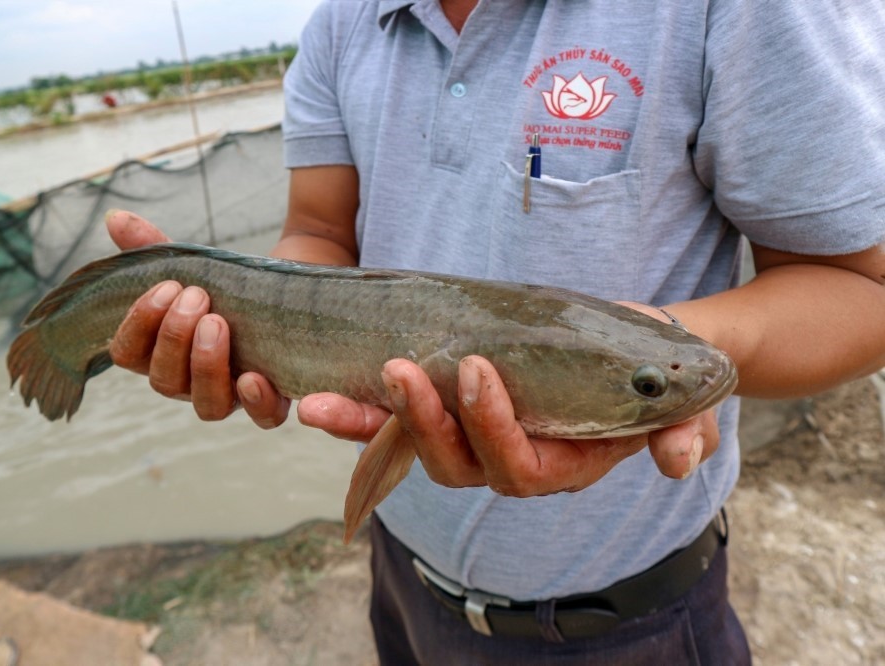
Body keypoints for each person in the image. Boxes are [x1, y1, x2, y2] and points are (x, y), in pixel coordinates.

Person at [104, 1, 885, 663]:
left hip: (631, 623)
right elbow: (316, 233)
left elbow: (863, 289)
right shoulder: (345, 20)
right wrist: (234, 326)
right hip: (403, 580)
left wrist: (687, 347)